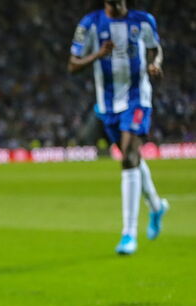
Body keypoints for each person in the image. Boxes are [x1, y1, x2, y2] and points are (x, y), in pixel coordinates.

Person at [69, 0, 169, 255]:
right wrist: (98, 55)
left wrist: (155, 63)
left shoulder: (143, 20)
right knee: (131, 158)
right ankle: (156, 206)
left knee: (129, 157)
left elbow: (155, 49)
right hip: (108, 105)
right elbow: (73, 65)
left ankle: (128, 234)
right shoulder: (88, 24)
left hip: (137, 98)